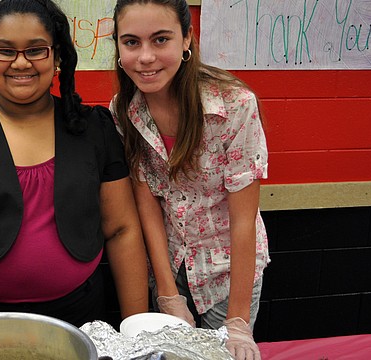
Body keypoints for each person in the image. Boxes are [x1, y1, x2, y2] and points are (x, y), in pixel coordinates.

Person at [0, 0, 149, 328]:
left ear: (57, 56)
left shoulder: (94, 129)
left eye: (36, 50)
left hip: (83, 315)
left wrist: (136, 328)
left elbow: (122, 229)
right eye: (5, 51)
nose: (21, 63)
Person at [109, 0, 269, 359]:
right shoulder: (124, 109)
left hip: (228, 274)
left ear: (187, 40)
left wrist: (238, 322)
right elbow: (145, 200)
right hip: (169, 262)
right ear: (118, 46)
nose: (146, 57)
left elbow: (243, 220)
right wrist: (167, 293)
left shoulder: (234, 105)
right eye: (131, 42)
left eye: (161, 40)